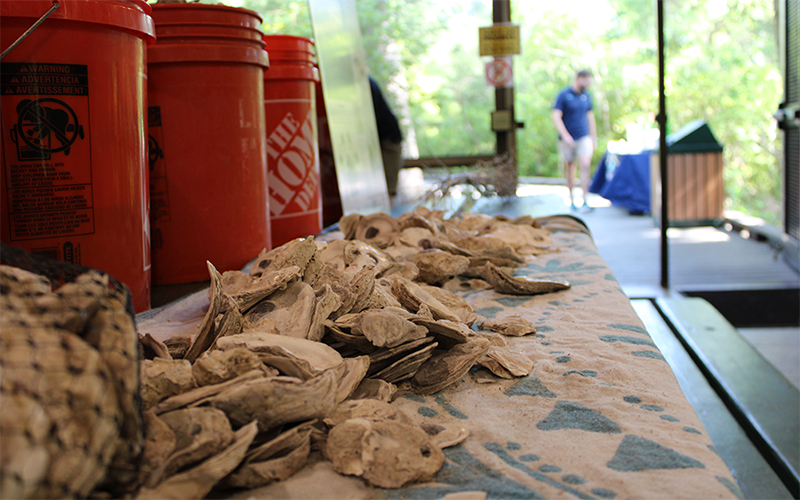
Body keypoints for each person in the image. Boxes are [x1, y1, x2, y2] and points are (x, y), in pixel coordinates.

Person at [552, 69, 598, 211]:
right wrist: (565, 135)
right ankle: (571, 199)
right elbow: (555, 116)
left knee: (585, 164)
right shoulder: (564, 95)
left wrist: (593, 137)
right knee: (570, 167)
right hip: (567, 137)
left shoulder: (586, 96)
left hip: (583, 136)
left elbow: (590, 117)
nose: (588, 84)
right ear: (579, 78)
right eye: (587, 80)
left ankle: (585, 199)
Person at [369, 76, 403, 197]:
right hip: (378, 141)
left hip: (389, 140)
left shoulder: (367, 84)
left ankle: (384, 215)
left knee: (387, 190)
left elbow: (372, 119)